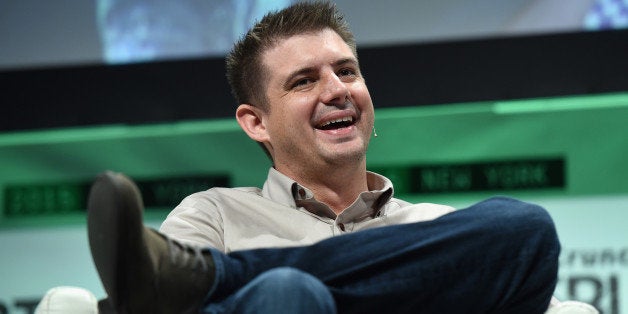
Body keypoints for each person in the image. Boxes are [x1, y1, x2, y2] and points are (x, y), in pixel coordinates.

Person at [87, 2, 561, 313]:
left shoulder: (434, 225)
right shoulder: (213, 214)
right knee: (287, 293)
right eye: (304, 81)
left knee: (525, 228)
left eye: (347, 71)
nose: (337, 90)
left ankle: (219, 277)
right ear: (257, 122)